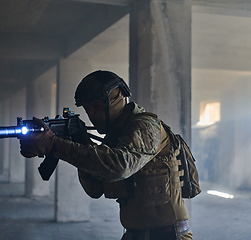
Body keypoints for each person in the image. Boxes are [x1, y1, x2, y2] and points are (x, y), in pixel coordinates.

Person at [20, 70, 194, 240]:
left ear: (119, 99)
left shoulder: (144, 126)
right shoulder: (117, 137)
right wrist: (81, 142)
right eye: (88, 109)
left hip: (169, 236)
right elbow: (94, 189)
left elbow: (120, 166)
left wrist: (56, 145)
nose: (92, 114)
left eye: (98, 106)